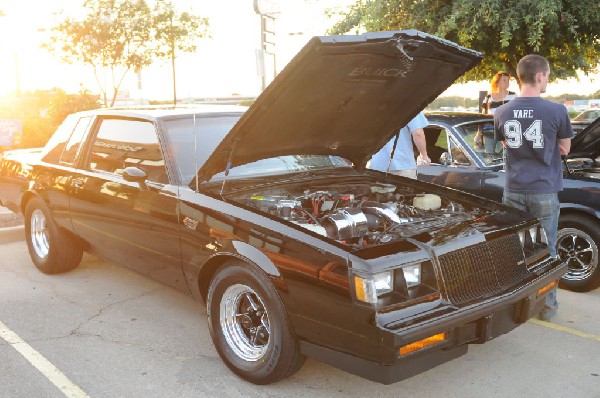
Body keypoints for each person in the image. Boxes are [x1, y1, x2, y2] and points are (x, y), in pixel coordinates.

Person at [494, 54, 573, 322]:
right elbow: (564, 149)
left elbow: (505, 145)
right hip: (543, 190)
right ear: (539, 76)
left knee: (514, 250)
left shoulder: (501, 111)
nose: (547, 80)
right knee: (547, 250)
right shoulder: (557, 111)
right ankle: (547, 308)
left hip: (513, 189)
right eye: (547, 76)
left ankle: (514, 306)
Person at [369, 112, 430, 179]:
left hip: (375, 167)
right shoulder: (411, 106)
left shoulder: (370, 107)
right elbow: (418, 133)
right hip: (404, 166)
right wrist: (423, 156)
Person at [479, 71, 517, 153]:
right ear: (497, 82)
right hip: (489, 131)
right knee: (489, 154)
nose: (507, 82)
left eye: (508, 80)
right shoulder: (488, 97)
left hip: (506, 132)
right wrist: (479, 133)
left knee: (504, 154)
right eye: (504, 80)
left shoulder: (513, 96)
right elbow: (483, 115)